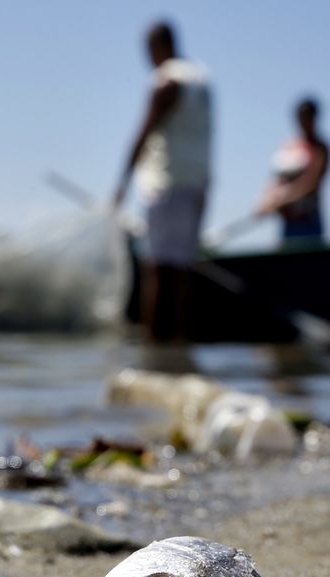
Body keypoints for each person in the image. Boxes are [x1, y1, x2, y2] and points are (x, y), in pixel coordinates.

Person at [113, 21, 212, 342]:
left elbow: (144, 132)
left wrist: (122, 181)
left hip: (167, 184)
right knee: (181, 271)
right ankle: (178, 347)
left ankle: (154, 351)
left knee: (157, 270)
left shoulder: (166, 81)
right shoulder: (202, 78)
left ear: (158, 46)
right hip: (198, 183)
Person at [257, 97, 330, 244]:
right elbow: (277, 180)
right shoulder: (289, 147)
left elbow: (312, 183)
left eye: (308, 117)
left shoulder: (321, 148)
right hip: (288, 223)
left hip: (309, 221)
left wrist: (282, 199)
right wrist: (266, 200)